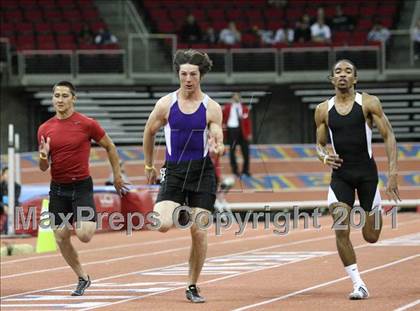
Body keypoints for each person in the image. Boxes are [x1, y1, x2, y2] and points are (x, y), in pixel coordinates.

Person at [314, 59, 400, 300]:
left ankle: (375, 208)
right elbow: (319, 144)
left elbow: (389, 135)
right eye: (338, 72)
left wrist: (392, 174)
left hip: (366, 175)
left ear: (355, 78)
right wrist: (323, 157)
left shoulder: (369, 103)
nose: (343, 75)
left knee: (370, 237)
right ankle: (358, 283)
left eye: (348, 71)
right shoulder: (323, 110)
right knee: (341, 228)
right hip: (340, 175)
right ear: (332, 79)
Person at [142, 49, 224, 303]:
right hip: (173, 171)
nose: (188, 79)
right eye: (184, 74)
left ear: (201, 76)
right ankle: (182, 210)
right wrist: (148, 166)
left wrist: (218, 145)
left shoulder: (211, 107)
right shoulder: (166, 104)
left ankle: (192, 285)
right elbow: (148, 132)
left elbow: (217, 132)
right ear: (178, 74)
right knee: (162, 224)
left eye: (193, 74)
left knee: (200, 231)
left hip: (202, 171)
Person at [37, 81, 128, 296]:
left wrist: (116, 175)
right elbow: (43, 167)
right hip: (58, 188)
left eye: (64, 96)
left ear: (73, 98)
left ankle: (81, 220)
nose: (60, 100)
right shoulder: (45, 128)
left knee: (85, 235)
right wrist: (43, 156)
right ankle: (82, 277)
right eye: (56, 95)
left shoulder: (87, 124)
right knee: (60, 237)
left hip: (81, 187)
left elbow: (110, 146)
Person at [222, 92, 252, 177]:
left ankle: (245, 170)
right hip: (232, 129)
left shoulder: (244, 108)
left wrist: (249, 133)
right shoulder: (227, 107)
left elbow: (248, 122)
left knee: (246, 151)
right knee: (232, 151)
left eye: (237, 96)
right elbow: (223, 119)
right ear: (232, 98)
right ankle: (235, 170)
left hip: (242, 131)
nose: (236, 98)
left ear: (240, 98)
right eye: (234, 96)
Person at [0, 166, 21, 234]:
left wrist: (9, 207)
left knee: (15, 209)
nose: (9, 175)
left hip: (12, 205)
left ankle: (6, 230)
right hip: (2, 206)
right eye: (6, 173)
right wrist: (3, 206)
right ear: (3, 175)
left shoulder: (17, 186)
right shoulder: (1, 186)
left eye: (10, 173)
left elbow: (15, 199)